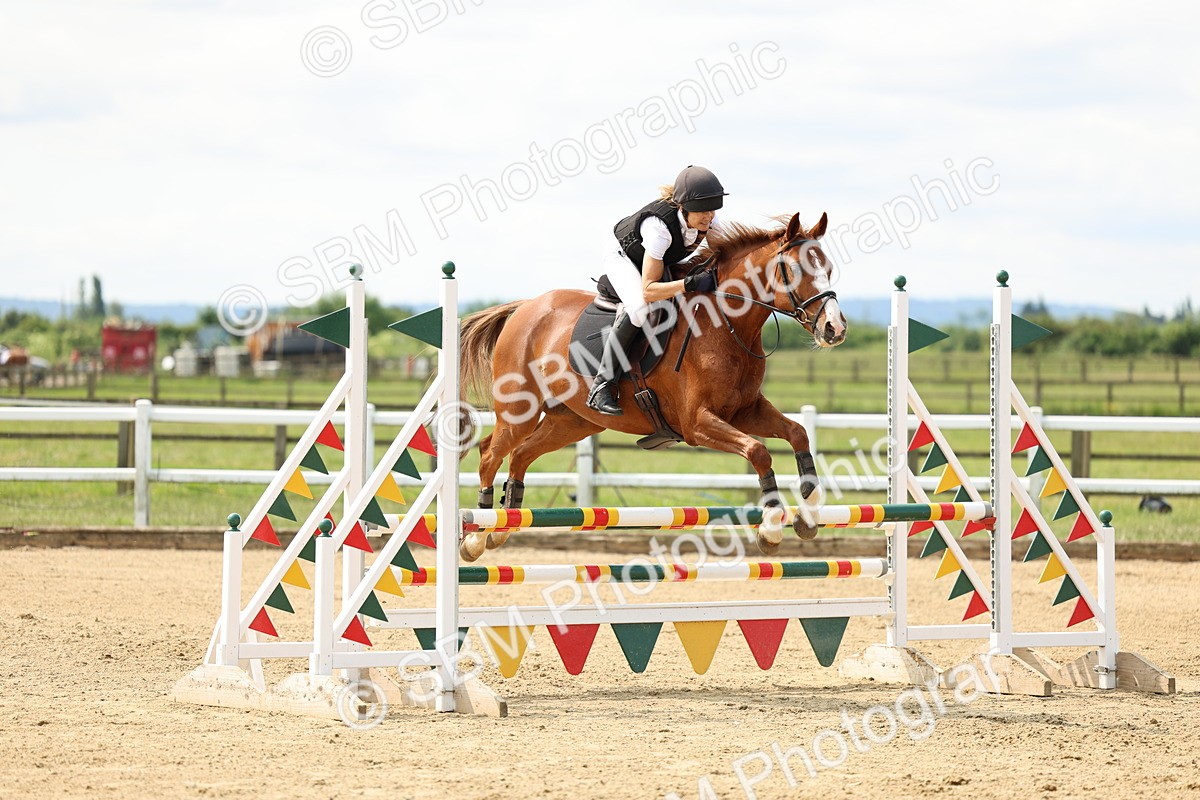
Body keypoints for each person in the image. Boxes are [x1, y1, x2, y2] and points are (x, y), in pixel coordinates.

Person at [585, 165, 727, 416]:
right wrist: (688, 284)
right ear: (684, 207)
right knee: (639, 309)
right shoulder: (658, 229)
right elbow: (649, 290)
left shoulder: (709, 220)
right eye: (702, 210)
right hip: (623, 257)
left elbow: (723, 254)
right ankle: (602, 385)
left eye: (712, 209)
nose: (709, 217)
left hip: (657, 258)